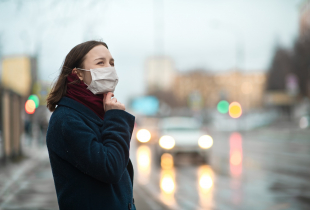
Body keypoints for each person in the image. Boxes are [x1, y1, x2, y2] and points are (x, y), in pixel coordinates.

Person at [46, 40, 136, 210]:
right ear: (78, 74)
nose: (109, 68)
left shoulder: (95, 113)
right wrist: (115, 118)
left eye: (112, 63)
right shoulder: (67, 120)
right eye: (100, 63)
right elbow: (110, 167)